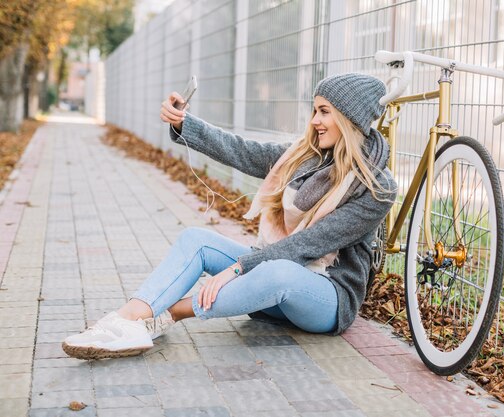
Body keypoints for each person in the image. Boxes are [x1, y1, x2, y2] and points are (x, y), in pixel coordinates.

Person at [62, 73, 398, 360]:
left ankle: (165, 317)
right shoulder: (304, 156)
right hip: (267, 288)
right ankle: (127, 321)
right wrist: (185, 125)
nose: (314, 121)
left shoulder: (377, 188)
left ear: (349, 118)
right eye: (314, 110)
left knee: (277, 270)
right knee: (196, 239)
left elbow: (309, 244)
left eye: (324, 112)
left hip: (325, 298)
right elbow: (243, 150)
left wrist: (238, 269)